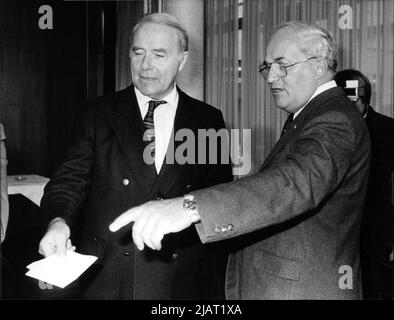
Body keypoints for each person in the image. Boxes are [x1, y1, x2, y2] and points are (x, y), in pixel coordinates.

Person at [110, 21, 371, 300]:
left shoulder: (334, 119)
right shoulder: (308, 117)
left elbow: (294, 184)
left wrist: (188, 207)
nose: (270, 78)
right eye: (267, 67)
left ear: (319, 66)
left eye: (282, 65)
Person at [38, 13, 232, 300]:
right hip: (108, 275)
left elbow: (218, 197)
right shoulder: (97, 114)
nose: (145, 66)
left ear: (182, 59)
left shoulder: (208, 120)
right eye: (138, 52)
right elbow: (67, 183)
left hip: (181, 280)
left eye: (159, 54)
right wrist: (58, 222)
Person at [334, 69, 394, 299]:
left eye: (354, 100)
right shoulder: (327, 127)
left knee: (370, 287)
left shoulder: (388, 130)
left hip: (374, 228)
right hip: (336, 229)